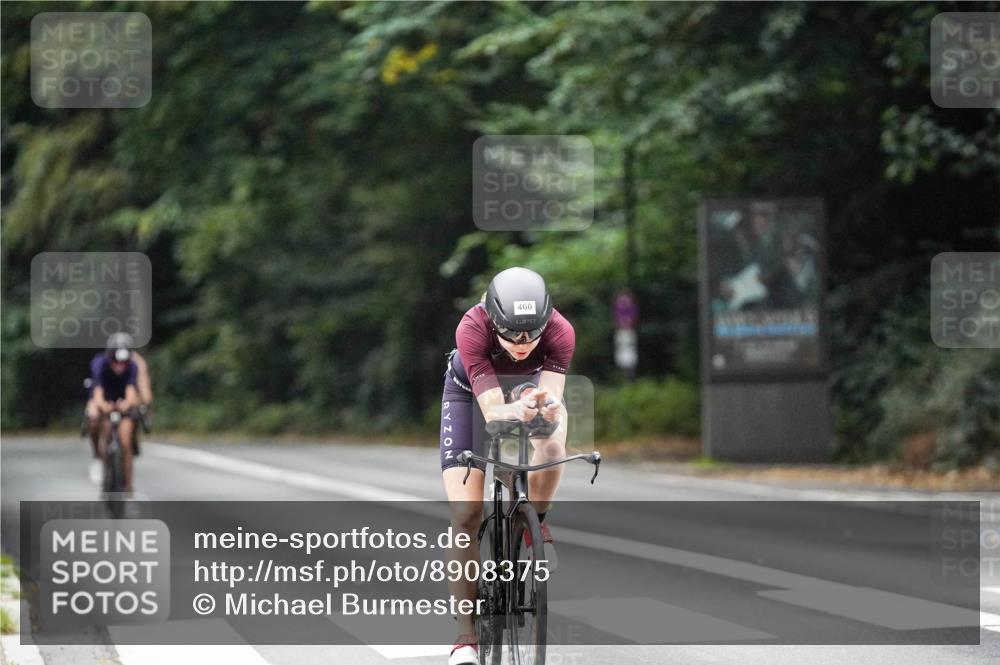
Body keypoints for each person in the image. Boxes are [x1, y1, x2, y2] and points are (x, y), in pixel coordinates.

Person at [440, 267, 574, 665]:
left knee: (551, 449)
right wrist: (513, 410)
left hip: (525, 390)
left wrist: (545, 410)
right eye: (513, 334)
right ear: (493, 319)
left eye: (532, 333)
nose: (523, 343)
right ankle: (466, 638)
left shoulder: (560, 331)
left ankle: (535, 522)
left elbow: (549, 408)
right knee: (465, 513)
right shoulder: (471, 328)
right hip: (470, 398)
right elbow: (494, 415)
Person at [84, 333, 150, 491]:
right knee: (94, 418)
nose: (120, 366)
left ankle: (128, 488)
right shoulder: (99, 364)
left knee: (125, 440)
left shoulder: (135, 365)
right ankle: (98, 457)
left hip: (122, 398)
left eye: (124, 362)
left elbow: (133, 393)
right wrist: (105, 406)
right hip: (103, 396)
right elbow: (98, 394)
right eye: (116, 361)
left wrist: (126, 404)